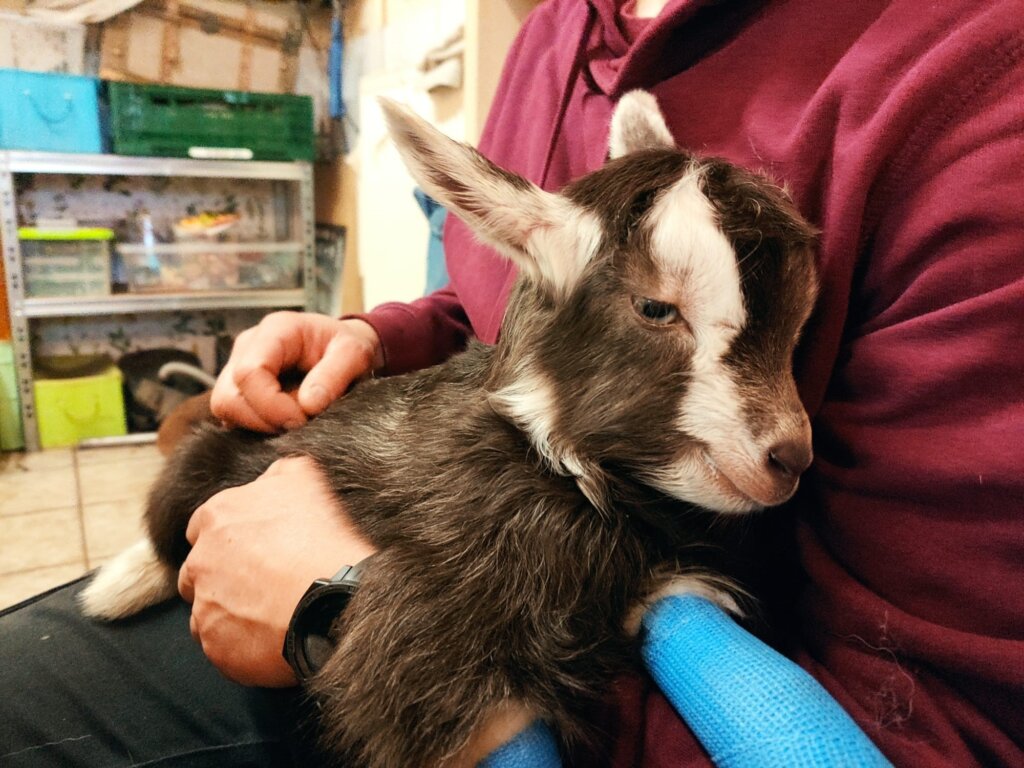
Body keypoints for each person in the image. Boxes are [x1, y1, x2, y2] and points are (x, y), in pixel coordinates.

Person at [2, 0, 1021, 765]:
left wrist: (339, 607)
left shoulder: (974, 83)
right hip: (415, 519)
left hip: (515, 656)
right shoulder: (557, 28)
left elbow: (940, 730)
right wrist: (380, 333)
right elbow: (509, 307)